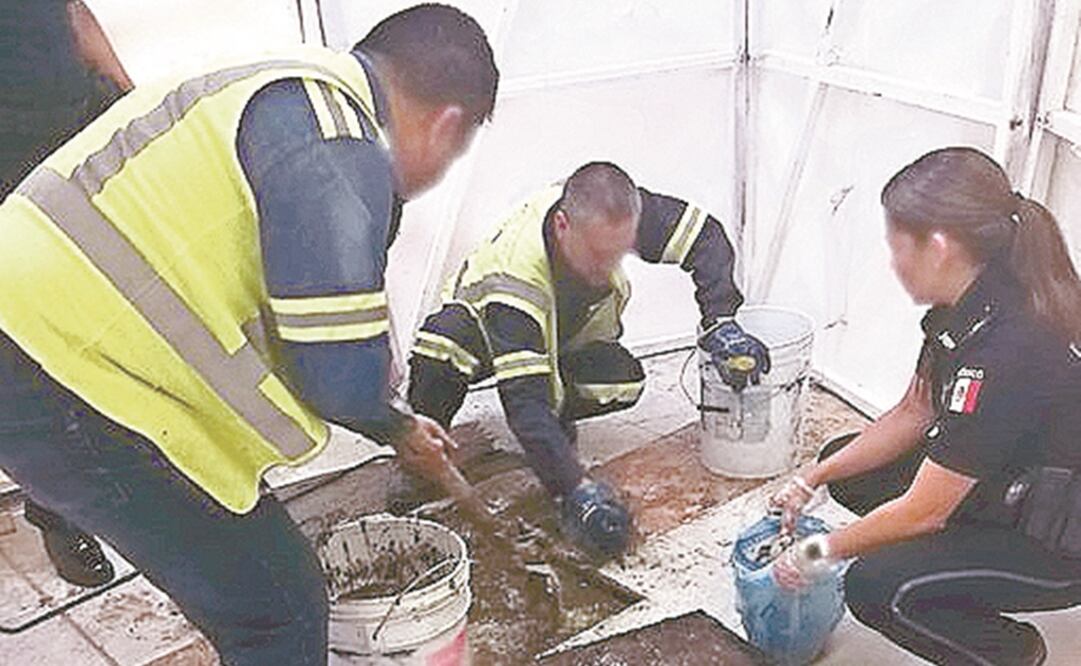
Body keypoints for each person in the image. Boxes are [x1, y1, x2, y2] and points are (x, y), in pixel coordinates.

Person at [0, 4, 498, 664]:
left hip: (54, 341)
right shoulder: (334, 146)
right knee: (276, 606)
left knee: (247, 558)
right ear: (446, 125)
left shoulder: (277, 82)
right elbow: (339, 375)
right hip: (49, 364)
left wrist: (396, 427)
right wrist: (399, 427)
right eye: (454, 155)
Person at [771, 147, 1081, 665]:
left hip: (1058, 539)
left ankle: (1011, 653)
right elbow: (913, 412)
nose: (892, 264)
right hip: (1007, 485)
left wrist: (816, 553)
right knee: (847, 464)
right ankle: (950, 560)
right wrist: (813, 475)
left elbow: (925, 510)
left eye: (896, 248)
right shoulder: (964, 304)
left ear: (938, 247)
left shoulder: (1010, 347)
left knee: (877, 586)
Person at [408, 161, 769, 557]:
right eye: (599, 255)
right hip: (483, 332)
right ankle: (423, 449)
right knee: (443, 346)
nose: (607, 269)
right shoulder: (516, 277)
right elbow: (525, 402)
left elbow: (705, 236)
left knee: (621, 381)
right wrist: (573, 488)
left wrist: (720, 320)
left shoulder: (610, 212)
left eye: (619, 254)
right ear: (563, 226)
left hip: (560, 332)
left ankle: (556, 424)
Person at [2, 0, 134, 589]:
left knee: (107, 308)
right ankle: (57, 511)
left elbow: (71, 8)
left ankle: (136, 473)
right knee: (23, 347)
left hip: (73, 131)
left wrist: (132, 102)